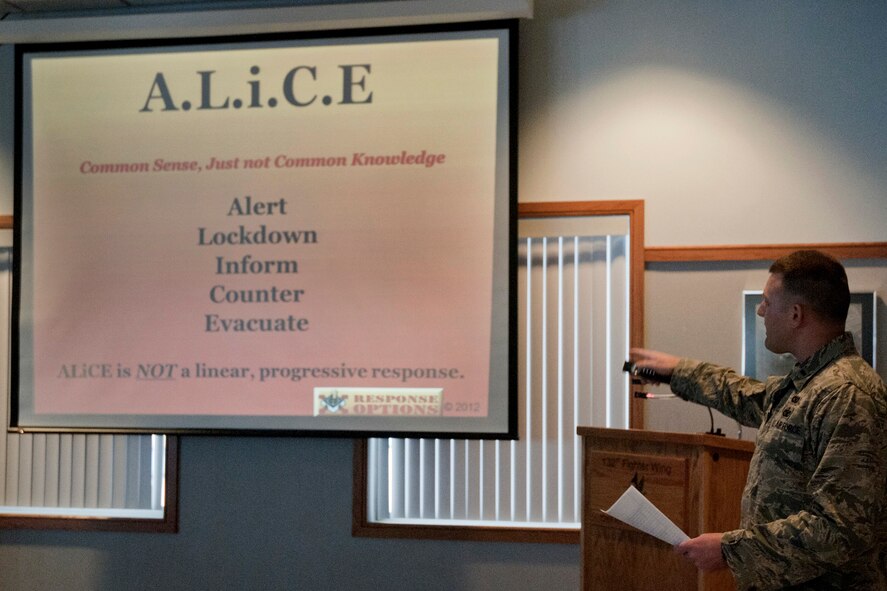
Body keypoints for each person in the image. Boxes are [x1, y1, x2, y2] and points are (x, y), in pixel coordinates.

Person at [630, 250, 886, 590]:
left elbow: (839, 528)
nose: (761, 310)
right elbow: (746, 396)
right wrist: (679, 371)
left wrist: (729, 550)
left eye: (767, 302)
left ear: (796, 314)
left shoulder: (847, 394)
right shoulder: (810, 382)